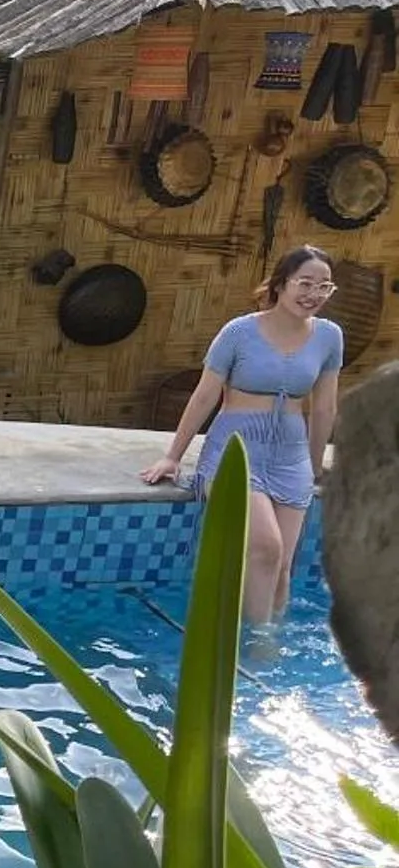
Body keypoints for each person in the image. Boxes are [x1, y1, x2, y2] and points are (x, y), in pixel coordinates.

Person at [141, 247, 344, 624]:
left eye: (324, 286)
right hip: (236, 452)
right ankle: (257, 644)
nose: (313, 294)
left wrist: (314, 466)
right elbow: (204, 396)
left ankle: (268, 643)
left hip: (291, 456)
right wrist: (172, 456)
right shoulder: (239, 332)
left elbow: (324, 407)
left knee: (283, 564)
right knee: (266, 548)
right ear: (282, 284)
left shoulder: (329, 336)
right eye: (305, 283)